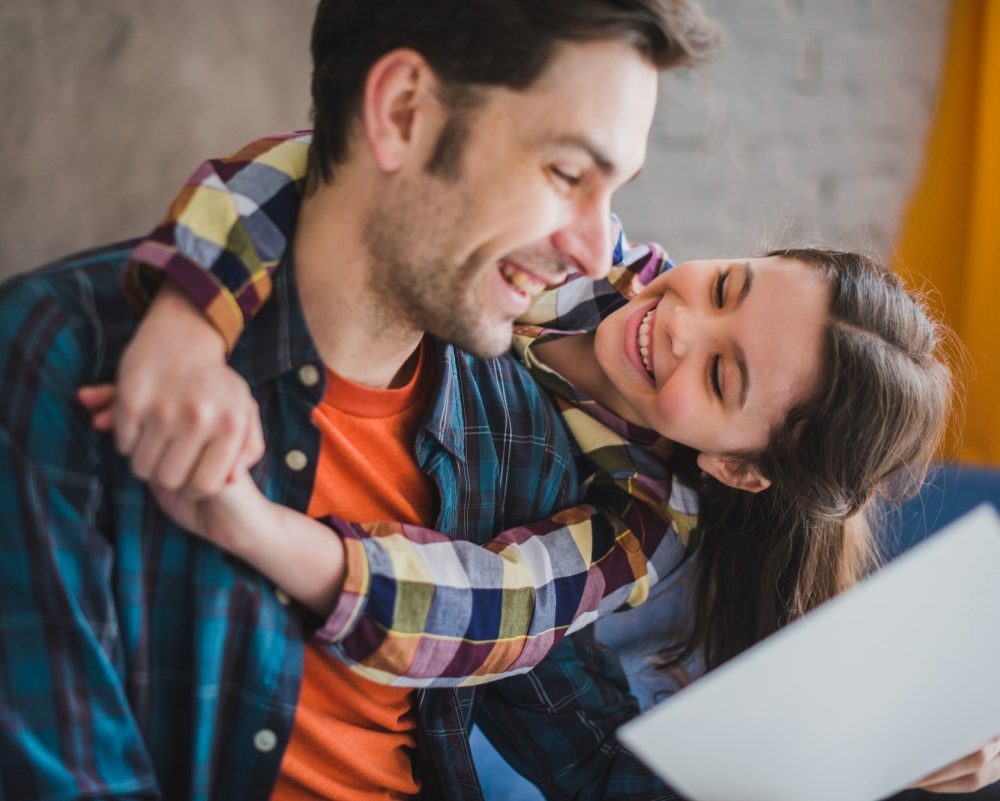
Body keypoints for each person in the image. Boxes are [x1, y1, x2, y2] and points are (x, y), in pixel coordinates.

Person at [84, 131, 999, 799]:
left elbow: (484, 608)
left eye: (722, 377)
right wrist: (186, 323)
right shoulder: (595, 251)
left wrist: (249, 524)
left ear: (736, 469)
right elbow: (336, 171)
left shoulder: (635, 524)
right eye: (726, 287)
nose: (680, 324)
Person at [0, 2, 723, 800]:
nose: (596, 250)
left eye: (612, 192)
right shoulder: (62, 356)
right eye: (564, 174)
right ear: (403, 113)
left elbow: (590, 757)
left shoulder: (519, 436)